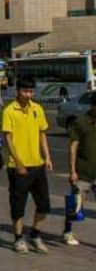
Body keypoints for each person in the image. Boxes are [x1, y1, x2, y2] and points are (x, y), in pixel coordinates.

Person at [2, 77, 53, 254]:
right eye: (25, 91)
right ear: (18, 91)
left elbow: (42, 134)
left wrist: (47, 157)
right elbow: (7, 138)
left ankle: (35, 235)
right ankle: (18, 238)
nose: (28, 95)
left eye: (31, 91)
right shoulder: (9, 110)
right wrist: (18, 162)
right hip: (18, 167)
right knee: (18, 205)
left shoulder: (37, 109)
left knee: (44, 204)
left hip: (37, 164)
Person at [62, 92, 96, 246]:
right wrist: (72, 171)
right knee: (76, 205)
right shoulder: (80, 122)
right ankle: (67, 231)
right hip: (83, 172)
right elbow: (73, 147)